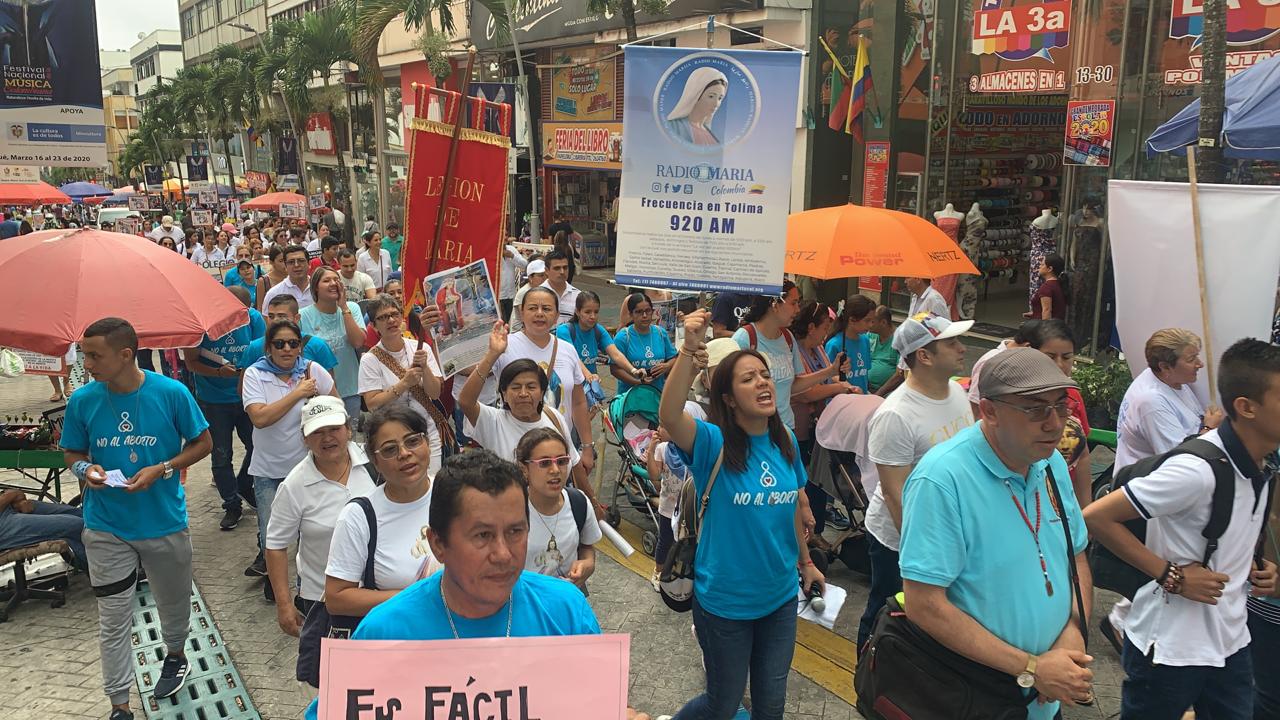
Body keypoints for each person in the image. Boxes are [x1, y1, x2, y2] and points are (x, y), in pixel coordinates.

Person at [301, 449, 655, 720]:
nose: (503, 554)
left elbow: (598, 704)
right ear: (438, 543)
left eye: (515, 531)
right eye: (482, 535)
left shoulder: (565, 608)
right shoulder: (385, 631)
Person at [1085, 338, 1280, 720]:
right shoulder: (1196, 470)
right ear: (1246, 407)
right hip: (1170, 650)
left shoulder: (1262, 464)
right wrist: (1170, 574)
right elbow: (1097, 516)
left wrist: (1257, 567)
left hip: (1231, 642)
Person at [899, 348, 1095, 720]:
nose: (1055, 424)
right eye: (1035, 409)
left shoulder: (1050, 461)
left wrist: (1074, 627)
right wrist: (1033, 667)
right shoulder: (942, 479)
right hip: (973, 698)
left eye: (1061, 406)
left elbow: (1076, 555)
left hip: (1044, 697)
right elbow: (924, 604)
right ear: (989, 411)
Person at [659, 309, 823, 720]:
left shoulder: (783, 440)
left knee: (771, 705)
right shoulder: (712, 443)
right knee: (723, 703)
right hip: (726, 605)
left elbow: (789, 511)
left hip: (780, 600)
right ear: (728, 398)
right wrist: (688, 349)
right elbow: (669, 416)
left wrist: (806, 562)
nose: (762, 382)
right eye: (748, 379)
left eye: (763, 375)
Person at [61, 318, 213, 719]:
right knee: (113, 619)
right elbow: (72, 453)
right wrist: (84, 472)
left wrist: (163, 468)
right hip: (105, 526)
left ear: (126, 354)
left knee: (173, 603)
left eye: (94, 355)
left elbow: (204, 443)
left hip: (163, 521)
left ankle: (176, 653)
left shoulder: (172, 393)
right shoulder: (83, 400)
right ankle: (120, 705)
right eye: (84, 354)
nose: (86, 363)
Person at [858, 311, 974, 650]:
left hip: (949, 529)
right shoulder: (895, 415)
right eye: (951, 343)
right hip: (901, 540)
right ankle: (869, 670)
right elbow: (896, 494)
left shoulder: (956, 392)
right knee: (887, 611)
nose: (962, 349)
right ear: (923, 355)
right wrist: (922, 554)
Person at [264, 396, 377, 647]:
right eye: (317, 432)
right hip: (324, 600)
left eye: (334, 429)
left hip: (380, 592)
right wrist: (284, 605)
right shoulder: (295, 485)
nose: (327, 438)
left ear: (348, 429)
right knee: (333, 676)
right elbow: (276, 546)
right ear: (304, 438)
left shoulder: (375, 463)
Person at [323, 406, 442, 624]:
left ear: (428, 443)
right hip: (396, 641)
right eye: (389, 450)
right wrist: (418, 599)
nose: (404, 454)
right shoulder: (358, 516)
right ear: (374, 461)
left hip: (460, 639)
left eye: (413, 441)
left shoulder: (456, 496)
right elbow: (337, 598)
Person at [241, 319, 337, 581]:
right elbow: (259, 418)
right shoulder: (254, 374)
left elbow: (335, 408)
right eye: (279, 343)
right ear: (269, 347)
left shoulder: (312, 370)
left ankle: (303, 590)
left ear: (299, 347)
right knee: (273, 537)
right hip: (268, 472)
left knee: (309, 536)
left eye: (292, 343)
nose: (286, 349)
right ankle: (277, 586)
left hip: (309, 469)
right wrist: (297, 394)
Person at [462, 324, 595, 504]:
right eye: (515, 387)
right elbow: (465, 401)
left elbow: (575, 464)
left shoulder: (553, 418)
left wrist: (592, 503)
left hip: (553, 511)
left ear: (542, 393)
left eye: (531, 387)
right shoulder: (493, 421)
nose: (523, 393)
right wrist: (492, 354)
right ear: (504, 394)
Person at [182, 286, 264, 531]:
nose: (240, 317)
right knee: (220, 454)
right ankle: (231, 504)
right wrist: (218, 372)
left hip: (247, 396)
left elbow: (262, 352)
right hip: (213, 400)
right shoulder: (200, 324)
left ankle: (243, 484)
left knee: (258, 445)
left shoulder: (254, 318)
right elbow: (191, 362)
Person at [493, 287, 596, 475]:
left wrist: (587, 447)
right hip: (514, 451)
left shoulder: (567, 350)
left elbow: (579, 402)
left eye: (547, 309)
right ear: (521, 313)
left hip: (558, 452)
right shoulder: (503, 346)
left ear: (557, 316)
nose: (540, 314)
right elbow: (469, 373)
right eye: (533, 308)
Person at [733, 281, 848, 431]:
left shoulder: (788, 338)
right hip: (753, 430)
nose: (798, 309)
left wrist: (831, 371)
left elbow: (793, 385)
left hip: (786, 428)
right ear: (775, 304)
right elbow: (730, 388)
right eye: (793, 303)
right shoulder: (745, 338)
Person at [359, 293, 445, 477]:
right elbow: (372, 403)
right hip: (392, 436)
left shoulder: (421, 348)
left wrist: (425, 369)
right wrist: (404, 383)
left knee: (431, 482)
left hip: (426, 432)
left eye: (394, 314)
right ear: (374, 326)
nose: (390, 320)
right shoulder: (369, 360)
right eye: (382, 317)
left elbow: (435, 393)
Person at [515, 427, 602, 587]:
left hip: (567, 603)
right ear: (524, 469)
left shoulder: (578, 502)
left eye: (562, 461)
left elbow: (587, 548)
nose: (555, 470)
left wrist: (586, 566)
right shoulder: (511, 511)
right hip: (525, 606)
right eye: (544, 463)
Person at [300, 267, 367, 421]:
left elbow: (358, 342)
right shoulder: (303, 315)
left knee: (351, 436)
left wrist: (344, 307)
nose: (333, 283)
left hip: (350, 388)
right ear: (315, 287)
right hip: (318, 392)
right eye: (326, 280)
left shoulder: (352, 308)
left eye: (336, 280)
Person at [240, 294, 339, 373]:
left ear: (297, 318)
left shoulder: (317, 346)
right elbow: (244, 389)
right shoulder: (255, 347)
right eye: (271, 316)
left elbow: (329, 391)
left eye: (281, 316)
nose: (275, 321)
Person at [557, 290, 642, 380]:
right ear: (577, 312)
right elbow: (573, 358)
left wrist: (633, 370)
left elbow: (615, 354)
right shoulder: (564, 331)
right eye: (587, 312)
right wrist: (589, 375)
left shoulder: (598, 330)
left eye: (596, 312)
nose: (592, 316)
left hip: (590, 387)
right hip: (568, 385)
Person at [0, 489, 85, 570]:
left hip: (5, 505)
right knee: (77, 525)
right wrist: (14, 494)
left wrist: (13, 497)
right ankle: (96, 573)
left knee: (82, 515)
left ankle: (93, 565)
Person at [612, 293, 678, 391]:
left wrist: (667, 366)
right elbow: (615, 369)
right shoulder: (623, 337)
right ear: (631, 314)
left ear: (653, 311)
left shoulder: (660, 333)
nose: (644, 316)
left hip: (657, 394)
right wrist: (638, 382)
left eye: (648, 311)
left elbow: (674, 358)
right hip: (631, 396)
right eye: (639, 312)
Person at [823, 295, 876, 393]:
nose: (871, 325)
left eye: (872, 321)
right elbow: (828, 376)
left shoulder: (865, 340)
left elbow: (864, 374)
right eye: (867, 320)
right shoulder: (834, 344)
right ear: (852, 320)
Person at [665, 68, 727, 146]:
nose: (716, 104)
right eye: (711, 96)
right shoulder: (672, 127)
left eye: (720, 98)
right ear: (696, 95)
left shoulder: (711, 136)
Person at [261, 245, 315, 311]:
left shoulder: (319, 289)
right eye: (291, 262)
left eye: (301, 260)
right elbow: (267, 319)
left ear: (309, 264)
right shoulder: (274, 293)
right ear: (286, 266)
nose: (296, 265)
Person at [865, 305, 900, 394]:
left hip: (887, 392)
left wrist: (878, 394)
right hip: (866, 388)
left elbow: (899, 375)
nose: (869, 325)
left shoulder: (899, 339)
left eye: (872, 322)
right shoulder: (870, 335)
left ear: (883, 322)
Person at [543, 249, 580, 325]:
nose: (562, 272)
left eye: (565, 268)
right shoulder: (536, 294)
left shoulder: (578, 295)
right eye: (557, 268)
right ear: (546, 271)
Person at [1026, 254, 1068, 321]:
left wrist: (1045, 329)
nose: (1039, 267)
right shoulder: (1057, 284)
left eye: (1042, 265)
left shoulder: (1046, 287)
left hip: (1047, 327)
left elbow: (1047, 311)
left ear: (1050, 269)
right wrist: (1035, 313)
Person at [509, 258, 547, 330]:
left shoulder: (544, 290)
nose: (545, 278)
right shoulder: (524, 292)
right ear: (530, 277)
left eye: (546, 275)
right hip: (520, 332)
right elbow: (525, 318)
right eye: (541, 275)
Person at [499, 236, 529, 323]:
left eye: (506, 235)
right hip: (497, 296)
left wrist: (512, 256)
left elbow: (524, 265)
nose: (505, 237)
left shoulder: (511, 249)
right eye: (502, 234)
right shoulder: (491, 250)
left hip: (510, 294)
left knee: (509, 322)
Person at [255, 245, 288, 312]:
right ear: (272, 262)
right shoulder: (264, 281)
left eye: (286, 260)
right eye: (281, 261)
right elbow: (260, 308)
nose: (285, 263)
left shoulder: (293, 277)